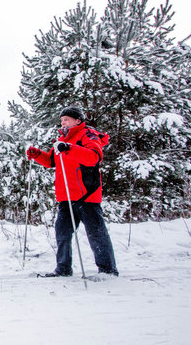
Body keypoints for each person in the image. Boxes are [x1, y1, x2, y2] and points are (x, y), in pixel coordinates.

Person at [26, 106, 118, 277]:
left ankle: (108, 270)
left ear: (77, 120)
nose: (63, 123)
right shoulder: (62, 140)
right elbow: (52, 161)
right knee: (62, 232)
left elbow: (93, 157)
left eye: (66, 119)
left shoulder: (87, 135)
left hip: (86, 194)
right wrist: (38, 154)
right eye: (61, 120)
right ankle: (63, 268)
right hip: (66, 196)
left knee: (96, 234)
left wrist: (69, 149)